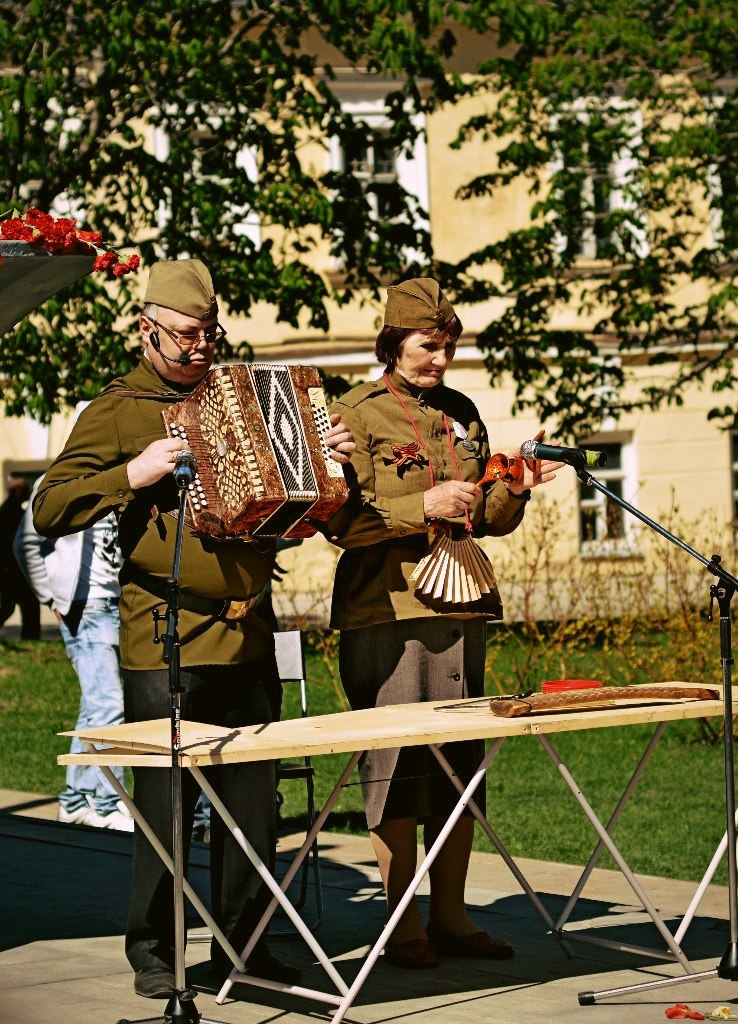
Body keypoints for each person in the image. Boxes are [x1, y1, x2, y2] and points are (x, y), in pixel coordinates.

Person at [33, 258, 355, 1000]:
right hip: (166, 634)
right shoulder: (118, 409)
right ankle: (156, 946)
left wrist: (331, 466)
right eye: (184, 336)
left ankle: (244, 946)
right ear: (147, 331)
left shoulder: (243, 396)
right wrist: (133, 475)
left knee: (253, 807)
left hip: (251, 631)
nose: (199, 348)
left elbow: (302, 510)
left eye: (209, 333)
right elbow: (51, 506)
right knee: (166, 806)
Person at [327, 278, 561, 969]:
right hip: (387, 606)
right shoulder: (356, 413)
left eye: (449, 345)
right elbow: (340, 523)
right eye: (429, 345)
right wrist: (421, 503)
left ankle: (453, 916)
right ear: (394, 342)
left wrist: (513, 487)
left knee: (459, 769)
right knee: (396, 769)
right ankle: (403, 923)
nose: (441, 358)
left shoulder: (460, 410)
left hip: (462, 603)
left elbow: (484, 517)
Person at [13, 478, 133, 831]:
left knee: (97, 705)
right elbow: (25, 542)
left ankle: (75, 800)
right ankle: (110, 803)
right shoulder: (61, 476)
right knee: (109, 705)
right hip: (85, 605)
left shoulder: (126, 476)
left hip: (118, 602)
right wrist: (49, 596)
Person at [0, 473, 41, 639]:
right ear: (18, 491)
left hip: (9, 571)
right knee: (29, 606)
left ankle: (31, 638)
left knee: (9, 606)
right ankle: (31, 639)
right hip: (17, 570)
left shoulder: (5, 510)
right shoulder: (16, 513)